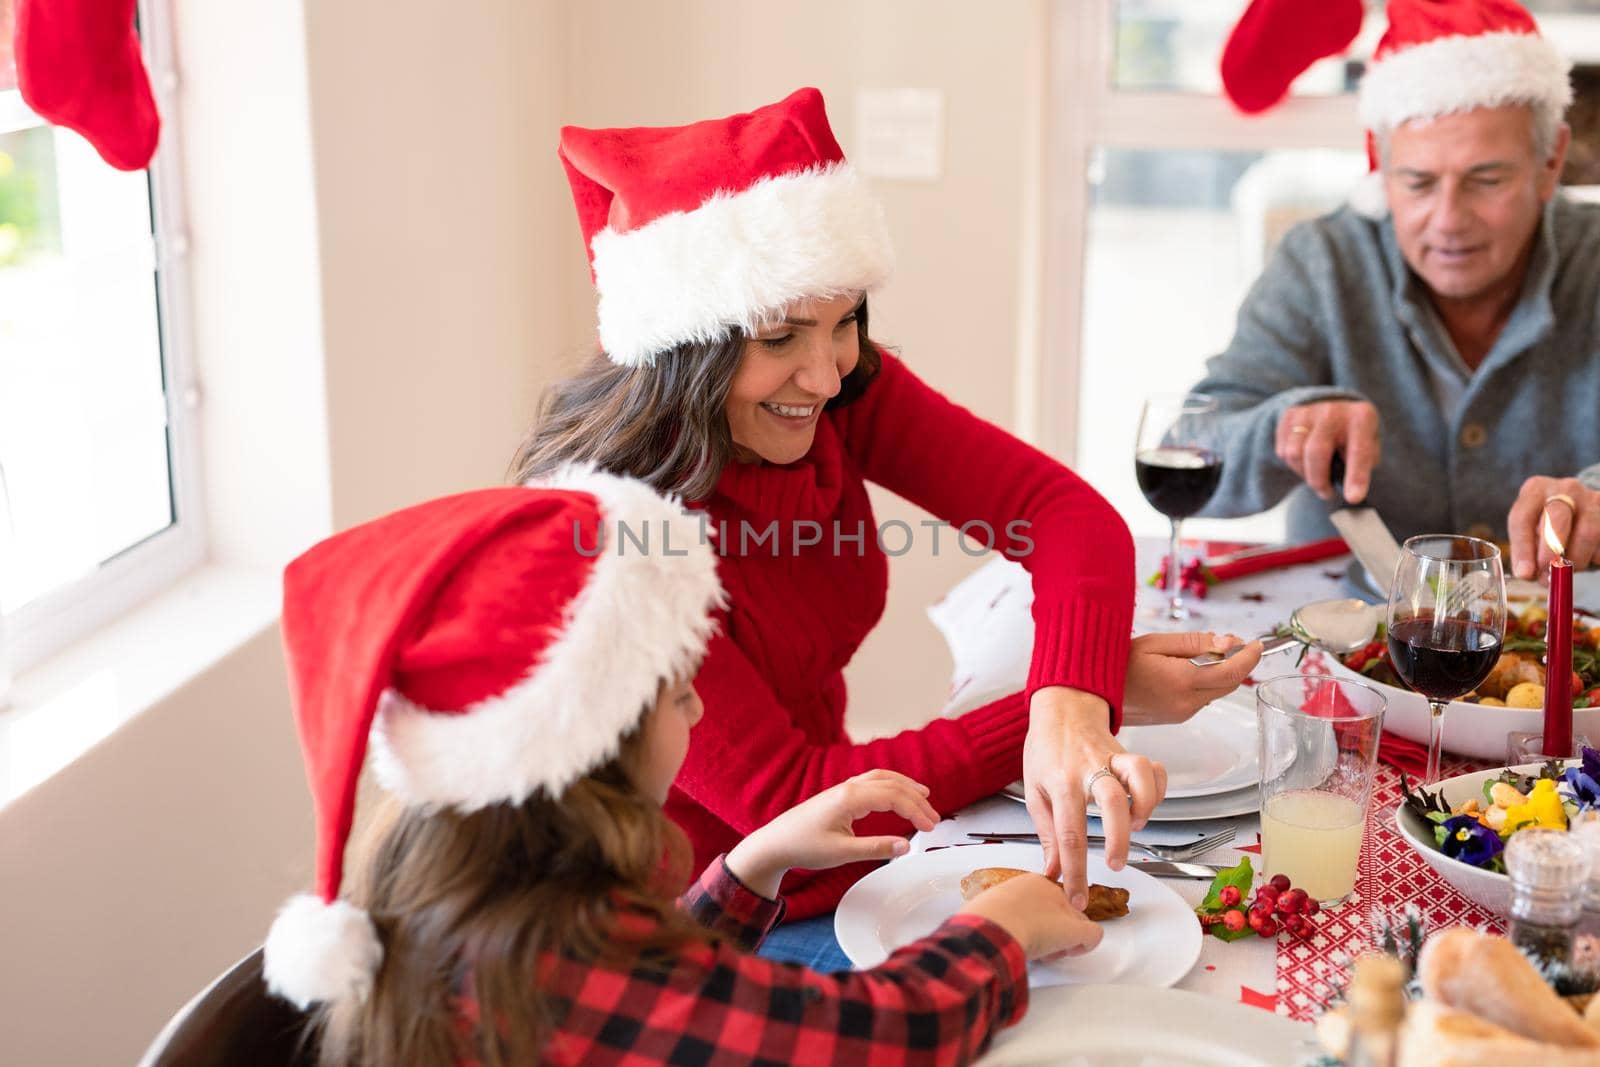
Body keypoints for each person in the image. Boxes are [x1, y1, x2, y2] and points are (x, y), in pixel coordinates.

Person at [513, 86, 1262, 964]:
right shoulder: (614, 540)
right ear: (687, 347)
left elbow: (1061, 514)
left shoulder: (834, 393)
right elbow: (794, 802)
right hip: (698, 917)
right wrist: (1067, 702)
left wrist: (1072, 696)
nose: (825, 375)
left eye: (842, 324)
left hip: (833, 853)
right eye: (781, 337)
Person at [260, 472, 1101, 1066]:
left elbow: (662, 1007)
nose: (698, 711)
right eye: (675, 690)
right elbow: (882, 1036)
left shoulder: (478, 893)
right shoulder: (559, 963)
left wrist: (749, 865)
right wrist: (1005, 927)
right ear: (597, 738)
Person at [1200, 0, 1600, 578]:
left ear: (1550, 161)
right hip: (1349, 646)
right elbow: (1196, 444)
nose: (1447, 220)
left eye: (1486, 180)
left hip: (1566, 649)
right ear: (1382, 171)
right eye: (1417, 183)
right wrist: (1285, 427)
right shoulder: (1322, 262)